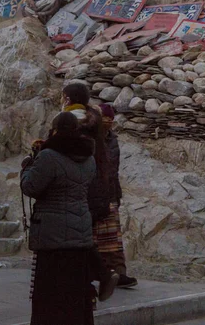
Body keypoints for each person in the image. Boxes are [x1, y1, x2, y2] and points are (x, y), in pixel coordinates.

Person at [21, 112, 97, 325]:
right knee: (76, 296)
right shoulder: (89, 158)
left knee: (49, 297)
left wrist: (28, 165)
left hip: (53, 239)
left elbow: (30, 186)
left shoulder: (48, 157)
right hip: (80, 236)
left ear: (54, 131)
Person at [61, 83, 119, 300]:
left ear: (67, 99)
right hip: (97, 190)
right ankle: (96, 283)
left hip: (80, 191)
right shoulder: (95, 124)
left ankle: (94, 285)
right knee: (84, 239)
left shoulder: (70, 123)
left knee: (77, 242)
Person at [94, 104, 137, 288]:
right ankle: (101, 275)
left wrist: (116, 194)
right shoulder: (90, 138)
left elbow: (114, 169)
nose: (109, 122)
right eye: (105, 118)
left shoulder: (113, 140)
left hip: (110, 193)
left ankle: (120, 274)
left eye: (111, 119)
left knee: (114, 241)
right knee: (95, 240)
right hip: (93, 195)